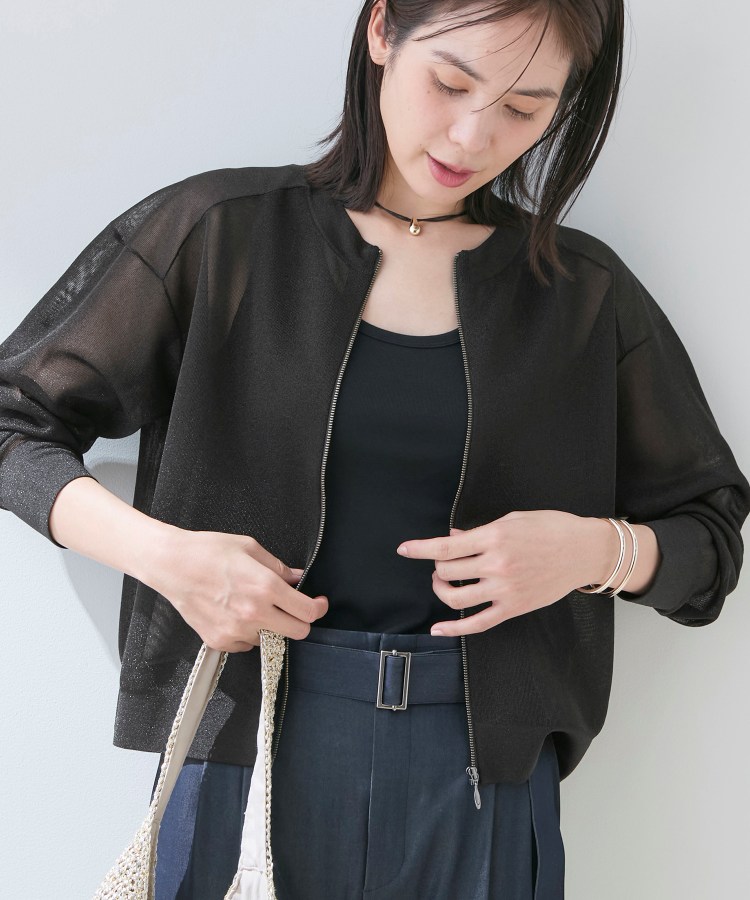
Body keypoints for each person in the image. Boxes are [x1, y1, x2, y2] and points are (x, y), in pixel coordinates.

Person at [1, 1, 748, 898]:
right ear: (384, 30)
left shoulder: (580, 295)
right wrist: (171, 559)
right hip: (244, 745)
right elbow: (13, 420)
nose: (473, 136)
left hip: (482, 781)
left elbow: (710, 541)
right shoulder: (223, 234)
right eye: (452, 82)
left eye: (524, 109)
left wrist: (591, 551)